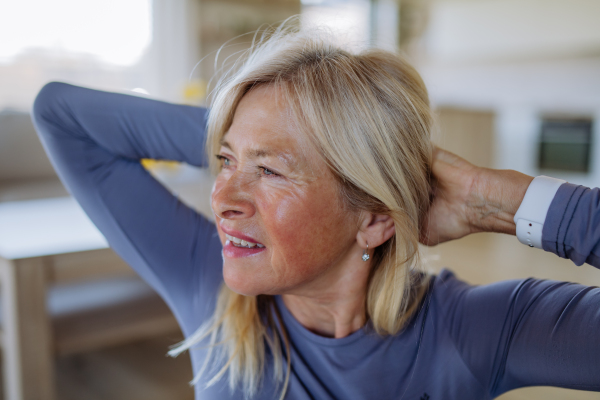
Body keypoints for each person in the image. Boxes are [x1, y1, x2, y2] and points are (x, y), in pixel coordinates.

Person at [32, 27, 599, 400]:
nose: (222, 198)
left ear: (374, 217)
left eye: (271, 172)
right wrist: (250, 129)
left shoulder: (476, 332)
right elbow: (60, 113)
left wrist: (496, 199)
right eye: (223, 163)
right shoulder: (213, 290)